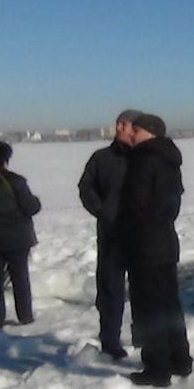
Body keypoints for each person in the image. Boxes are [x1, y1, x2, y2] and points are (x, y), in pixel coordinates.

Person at [119, 113, 192, 387]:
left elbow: (135, 204)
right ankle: (180, 360)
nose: (131, 134)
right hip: (166, 240)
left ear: (147, 132)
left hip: (144, 244)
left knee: (149, 307)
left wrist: (128, 230)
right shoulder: (169, 158)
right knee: (169, 303)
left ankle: (157, 369)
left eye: (135, 129)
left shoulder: (144, 159)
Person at [78, 109, 142, 360]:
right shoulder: (101, 158)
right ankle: (110, 341)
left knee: (142, 290)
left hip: (141, 235)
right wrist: (103, 211)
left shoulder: (146, 158)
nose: (124, 129)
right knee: (110, 290)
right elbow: (86, 188)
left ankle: (143, 339)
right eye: (123, 124)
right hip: (111, 234)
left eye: (130, 126)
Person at [0, 141, 41, 327]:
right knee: (20, 277)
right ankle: (25, 316)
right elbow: (31, 207)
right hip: (17, 238)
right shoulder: (16, 180)